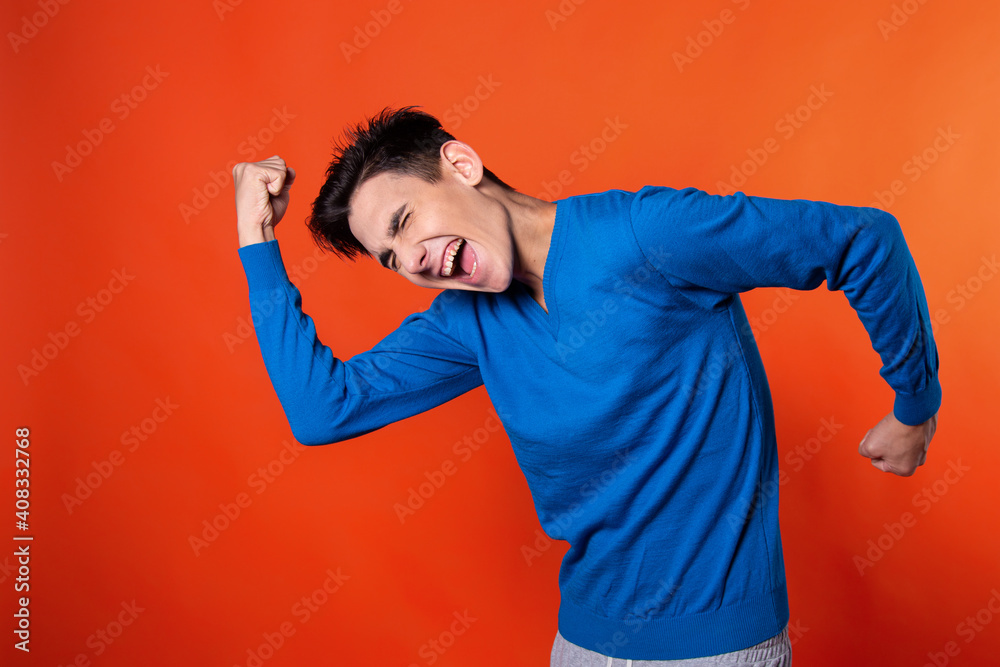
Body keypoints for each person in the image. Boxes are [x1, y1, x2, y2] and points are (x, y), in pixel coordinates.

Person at [232, 106, 940, 666]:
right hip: (582, 645)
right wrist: (256, 241)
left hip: (720, 646)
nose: (413, 261)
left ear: (461, 164)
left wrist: (915, 405)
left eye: (404, 221)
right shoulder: (465, 323)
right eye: (391, 259)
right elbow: (325, 410)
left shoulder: (643, 234)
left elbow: (862, 241)